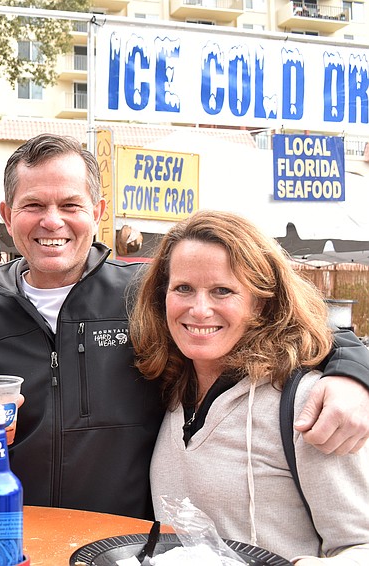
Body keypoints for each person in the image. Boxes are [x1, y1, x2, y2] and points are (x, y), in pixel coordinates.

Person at [0, 133, 369, 521]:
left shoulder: (147, 295)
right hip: (16, 542)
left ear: (97, 212)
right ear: (7, 214)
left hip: (125, 549)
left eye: (70, 205)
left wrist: (355, 376)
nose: (52, 221)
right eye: (33, 205)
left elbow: (297, 324)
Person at [131, 210, 369, 562]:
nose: (199, 309)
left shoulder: (308, 403)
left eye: (222, 291)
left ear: (260, 301)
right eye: (183, 288)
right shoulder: (167, 387)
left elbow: (360, 543)